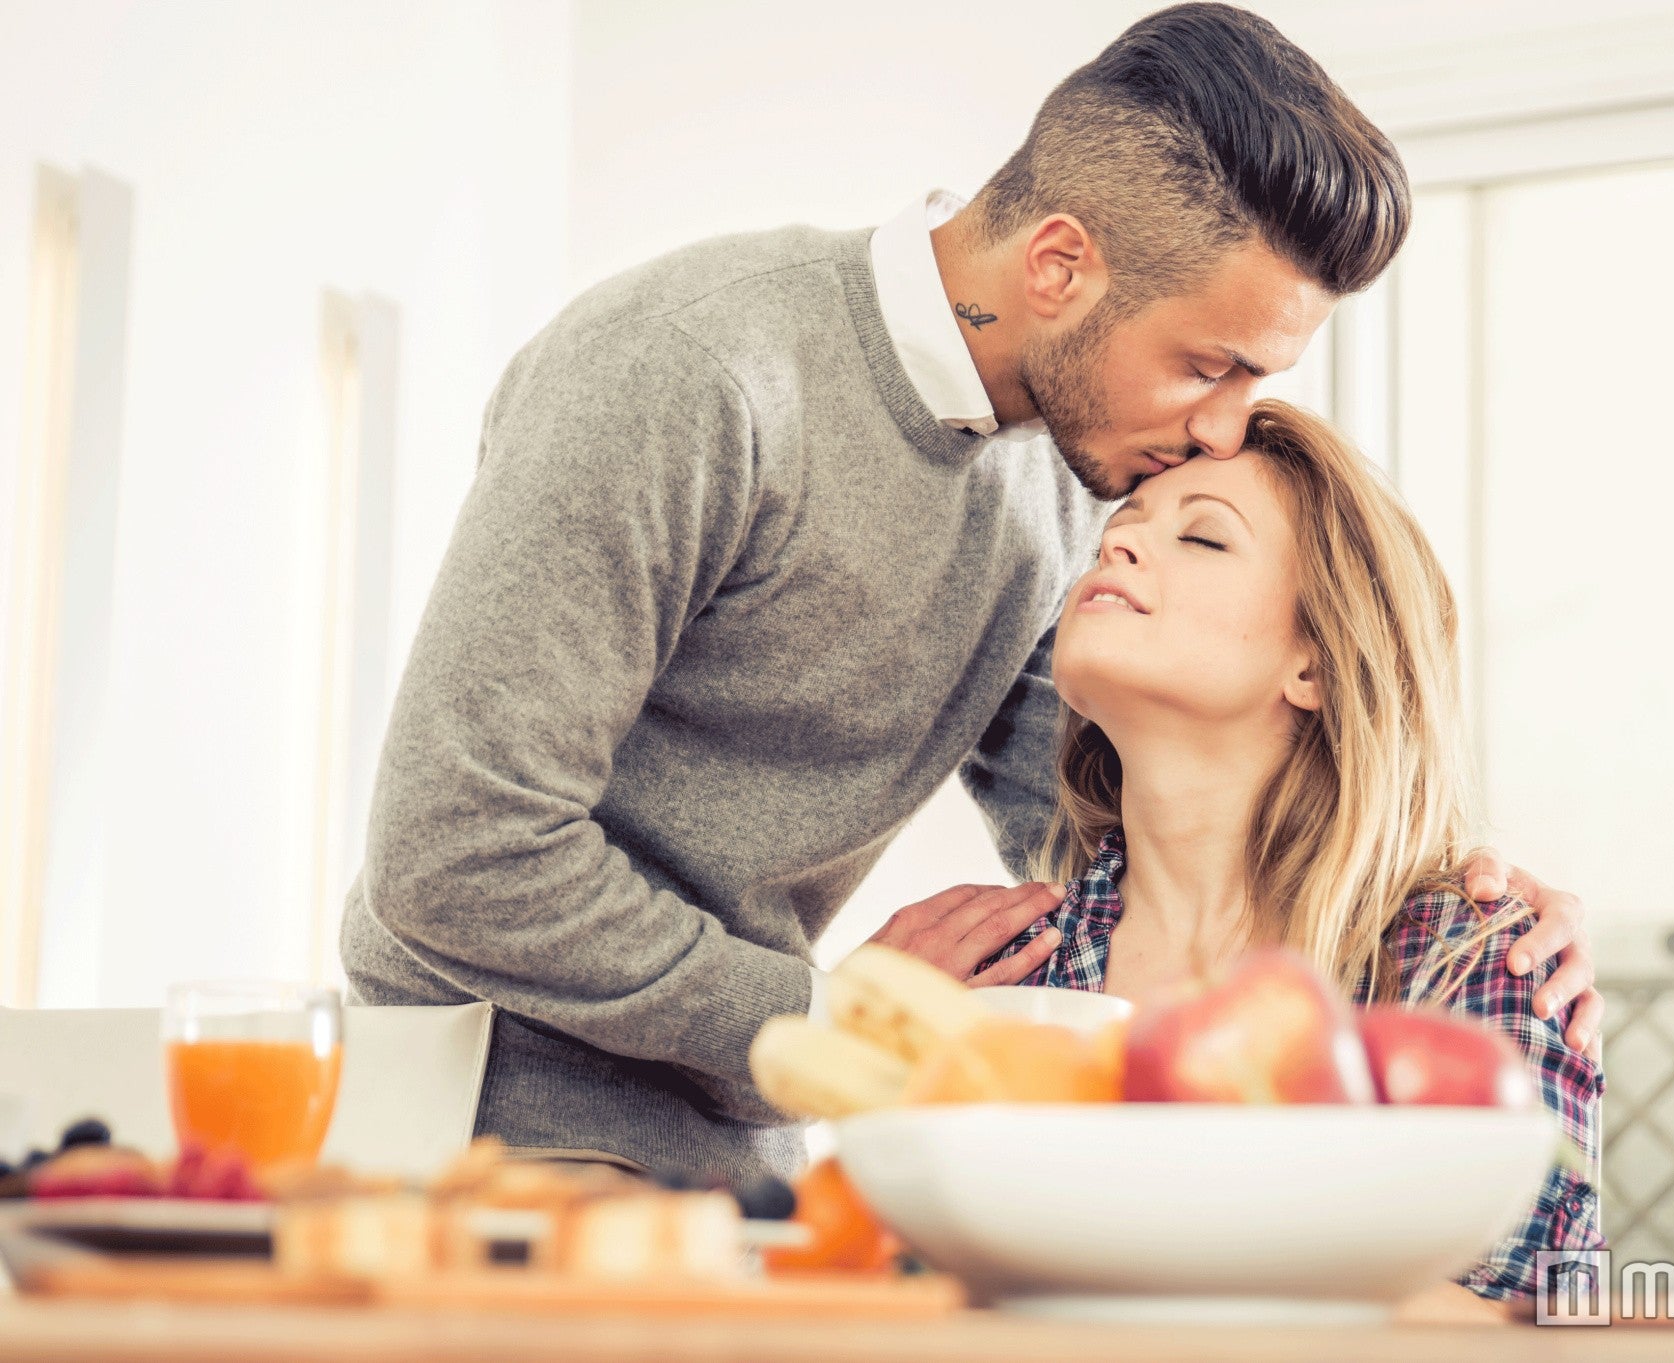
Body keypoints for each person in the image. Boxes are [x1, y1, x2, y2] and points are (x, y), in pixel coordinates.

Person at [341, 3, 1600, 1185]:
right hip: (491, 1146)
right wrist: (826, 1019)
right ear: (1059, 265)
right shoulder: (691, 373)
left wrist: (1454, 904)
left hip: (744, 1149)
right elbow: (453, 852)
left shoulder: (1073, 480)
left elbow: (1113, 845)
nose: (1226, 431)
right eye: (1207, 365)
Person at [981, 399, 1603, 1315]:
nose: (1116, 548)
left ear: (1312, 663)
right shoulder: (1015, 970)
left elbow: (1525, 1321)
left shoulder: (1475, 958)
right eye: (1124, 528)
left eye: (1204, 540)